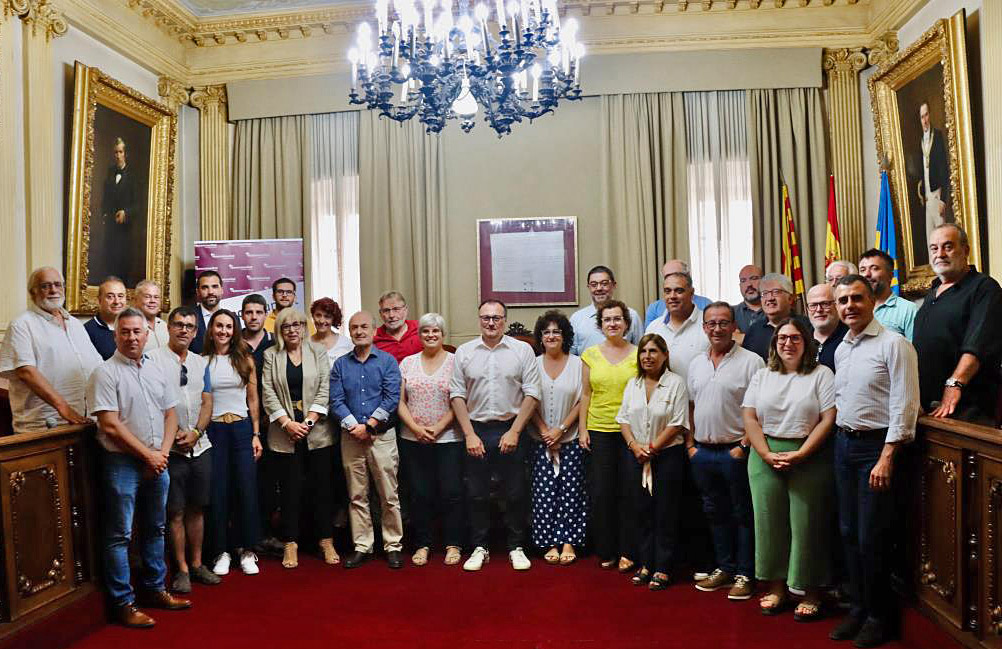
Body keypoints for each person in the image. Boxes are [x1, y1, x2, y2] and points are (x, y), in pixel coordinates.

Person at [830, 274, 920, 647]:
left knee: (872, 538)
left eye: (856, 299)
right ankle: (859, 608)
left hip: (876, 451)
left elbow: (905, 404)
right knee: (849, 533)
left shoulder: (894, 344)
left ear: (872, 301)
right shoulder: (842, 349)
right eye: (843, 301)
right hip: (844, 445)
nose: (849, 306)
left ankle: (880, 617)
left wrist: (887, 457)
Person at [87, 307, 190, 628]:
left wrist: (161, 453)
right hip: (123, 463)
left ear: (148, 334)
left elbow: (171, 414)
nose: (132, 337)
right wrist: (149, 455)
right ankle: (123, 603)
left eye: (137, 332)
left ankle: (155, 589)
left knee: (155, 528)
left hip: (158, 460)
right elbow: (110, 425)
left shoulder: (158, 369)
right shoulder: (104, 373)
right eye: (125, 332)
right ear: (116, 335)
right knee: (119, 534)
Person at [742, 317, 836, 620]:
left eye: (795, 338)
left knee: (806, 525)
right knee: (769, 525)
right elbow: (750, 417)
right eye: (782, 338)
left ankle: (810, 592)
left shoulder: (822, 374)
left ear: (806, 341)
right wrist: (766, 454)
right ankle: (777, 588)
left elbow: (828, 418)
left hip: (809, 455)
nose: (787, 343)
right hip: (764, 455)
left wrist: (802, 453)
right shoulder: (762, 375)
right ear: (774, 343)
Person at [450, 300, 540, 572]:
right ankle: (480, 547)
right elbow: (457, 395)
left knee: (515, 491)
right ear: (479, 319)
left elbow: (532, 393)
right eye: (486, 318)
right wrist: (468, 435)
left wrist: (515, 431)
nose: (491, 323)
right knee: (476, 493)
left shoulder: (522, 350)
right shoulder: (465, 352)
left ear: (504, 320)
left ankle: (516, 546)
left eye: (497, 318)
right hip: (475, 428)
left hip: (511, 427)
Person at [687, 302, 763, 601]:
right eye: (711, 324)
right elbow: (691, 407)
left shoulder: (751, 362)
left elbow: (760, 409)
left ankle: (746, 573)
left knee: (742, 514)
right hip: (703, 453)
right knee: (714, 513)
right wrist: (691, 445)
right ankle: (724, 567)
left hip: (735, 452)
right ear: (704, 328)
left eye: (723, 323)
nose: (717, 329)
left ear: (734, 326)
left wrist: (744, 444)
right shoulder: (696, 363)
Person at [150, 306, 220, 593]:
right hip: (172, 450)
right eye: (178, 324)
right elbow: (152, 403)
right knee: (175, 512)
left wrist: (196, 431)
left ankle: (197, 563)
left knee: (197, 508)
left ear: (194, 332)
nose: (184, 330)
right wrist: (175, 434)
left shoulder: (201, 362)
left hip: (200, 446)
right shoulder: (152, 360)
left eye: (189, 326)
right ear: (168, 327)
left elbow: (207, 402)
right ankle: (180, 570)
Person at [261, 308, 336, 569]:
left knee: (322, 489)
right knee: (289, 491)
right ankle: (290, 543)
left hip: (317, 432)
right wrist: (287, 424)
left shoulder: (319, 352)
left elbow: (325, 388)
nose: (293, 330)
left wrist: (307, 423)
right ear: (279, 330)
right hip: (284, 433)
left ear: (305, 327)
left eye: (297, 325)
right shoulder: (271, 355)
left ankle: (326, 540)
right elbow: (268, 392)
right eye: (286, 326)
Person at [330, 311, 405, 569]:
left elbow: (391, 397)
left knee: (388, 494)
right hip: (351, 438)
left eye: (364, 327)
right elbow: (336, 401)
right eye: (354, 328)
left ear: (374, 331)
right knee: (356, 495)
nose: (359, 331)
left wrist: (370, 426)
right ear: (349, 332)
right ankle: (363, 545)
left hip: (381, 438)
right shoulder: (340, 364)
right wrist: (355, 427)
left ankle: (393, 545)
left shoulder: (387, 362)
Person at [616, 333, 689, 591]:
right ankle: (646, 563)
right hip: (635, 456)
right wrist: (635, 447)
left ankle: (663, 567)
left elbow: (678, 422)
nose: (648, 356)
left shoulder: (676, 383)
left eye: (654, 351)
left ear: (665, 355)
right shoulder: (633, 384)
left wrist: (652, 447)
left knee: (665, 513)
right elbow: (623, 419)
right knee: (642, 512)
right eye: (644, 352)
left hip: (666, 456)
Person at [913, 224, 1002, 423]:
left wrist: (954, 384)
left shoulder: (984, 288)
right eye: (934, 248)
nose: (940, 254)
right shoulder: (932, 293)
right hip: (928, 408)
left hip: (965, 407)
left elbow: (977, 344)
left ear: (966, 250)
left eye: (948, 246)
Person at [1, 267, 103, 433]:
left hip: (83, 421)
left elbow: (96, 365)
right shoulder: (22, 325)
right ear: (32, 292)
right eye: (45, 286)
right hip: (43, 425)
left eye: (57, 284)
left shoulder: (75, 324)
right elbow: (26, 371)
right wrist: (62, 406)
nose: (53, 290)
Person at [397, 313, 463, 566]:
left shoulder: (456, 362)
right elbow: (399, 401)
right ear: (419, 335)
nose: (431, 335)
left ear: (442, 334)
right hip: (413, 439)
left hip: (448, 438)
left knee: (451, 493)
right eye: (425, 331)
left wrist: (437, 428)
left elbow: (460, 400)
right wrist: (415, 427)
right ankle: (422, 544)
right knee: (419, 493)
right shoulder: (407, 363)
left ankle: (453, 543)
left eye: (435, 331)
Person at [204, 309, 263, 577]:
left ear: (234, 330)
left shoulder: (245, 360)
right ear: (211, 329)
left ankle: (247, 550)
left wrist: (255, 433)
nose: (223, 331)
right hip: (214, 430)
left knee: (246, 489)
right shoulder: (201, 361)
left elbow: (253, 400)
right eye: (219, 326)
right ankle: (222, 551)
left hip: (241, 429)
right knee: (218, 492)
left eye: (228, 326)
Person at [580, 299, 637, 573]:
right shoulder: (590, 354)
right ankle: (606, 548)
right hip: (599, 430)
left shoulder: (639, 354)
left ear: (626, 323)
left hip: (631, 432)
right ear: (600, 325)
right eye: (607, 320)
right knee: (602, 492)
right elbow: (586, 394)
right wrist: (582, 429)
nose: (612, 323)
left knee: (629, 492)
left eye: (617, 318)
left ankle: (628, 549)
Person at [529, 311, 585, 566]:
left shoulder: (578, 363)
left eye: (556, 332)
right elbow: (527, 400)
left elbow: (582, 401)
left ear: (565, 336)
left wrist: (560, 430)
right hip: (539, 438)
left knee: (571, 493)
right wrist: (544, 430)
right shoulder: (532, 364)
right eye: (546, 332)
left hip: (570, 437)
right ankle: (549, 541)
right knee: (544, 492)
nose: (551, 336)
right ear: (541, 337)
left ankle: (568, 541)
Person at [240, 293, 280, 554]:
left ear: (266, 314)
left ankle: (265, 533)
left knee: (267, 482)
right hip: (239, 422)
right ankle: (243, 536)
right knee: (243, 480)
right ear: (242, 315)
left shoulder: (275, 343)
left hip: (271, 423)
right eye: (248, 312)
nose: (253, 317)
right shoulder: (233, 342)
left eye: (258, 312)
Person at [644, 271, 709, 383]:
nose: (672, 296)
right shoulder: (653, 328)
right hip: (662, 398)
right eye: (667, 291)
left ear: (692, 293)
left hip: (698, 399)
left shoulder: (708, 324)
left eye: (679, 291)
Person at [99, 138, 144, 285]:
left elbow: (138, 204)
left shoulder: (133, 175)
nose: (118, 155)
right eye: (115, 152)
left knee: (122, 262)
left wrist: (126, 212)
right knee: (109, 261)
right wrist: (104, 213)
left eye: (120, 152)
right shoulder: (110, 172)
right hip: (110, 228)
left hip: (126, 230)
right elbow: (106, 198)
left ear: (126, 154)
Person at [570, 265, 642, 355]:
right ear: (589, 287)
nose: (599, 288)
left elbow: (640, 352)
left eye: (604, 283)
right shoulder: (577, 318)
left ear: (614, 285)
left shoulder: (631, 315)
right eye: (594, 285)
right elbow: (571, 355)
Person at [742, 273, 812, 362]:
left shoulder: (806, 326)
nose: (770, 298)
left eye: (776, 292)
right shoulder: (754, 330)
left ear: (790, 299)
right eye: (765, 293)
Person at [857, 249, 917, 341]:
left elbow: (915, 352)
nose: (867, 274)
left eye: (874, 268)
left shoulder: (908, 310)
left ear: (890, 276)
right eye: (862, 270)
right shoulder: (855, 309)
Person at [917, 102, 952, 245]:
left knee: (942, 240)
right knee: (930, 240)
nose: (924, 120)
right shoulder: (920, 140)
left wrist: (943, 200)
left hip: (937, 196)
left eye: (926, 115)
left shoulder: (937, 136)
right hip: (927, 198)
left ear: (929, 115)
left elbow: (944, 169)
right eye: (921, 117)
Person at [644, 260, 712, 328]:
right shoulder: (654, 309)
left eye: (677, 275)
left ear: (688, 276)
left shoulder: (706, 305)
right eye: (667, 277)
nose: (672, 280)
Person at [806, 283, 848, 373]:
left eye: (825, 304)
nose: (818, 310)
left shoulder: (850, 337)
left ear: (837, 305)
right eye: (813, 305)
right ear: (807, 309)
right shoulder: (800, 337)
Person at [84, 276, 128, 360]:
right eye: (110, 296)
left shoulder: (131, 327)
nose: (116, 301)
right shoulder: (87, 331)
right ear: (99, 300)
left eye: (120, 296)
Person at [373, 291, 422, 362]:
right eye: (386, 310)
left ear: (405, 310)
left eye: (396, 309)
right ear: (381, 314)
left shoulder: (421, 329)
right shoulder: (374, 337)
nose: (391, 315)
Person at [311, 297, 353, 365]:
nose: (321, 321)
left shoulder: (347, 344)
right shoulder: (305, 344)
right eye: (318, 315)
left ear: (333, 319)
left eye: (327, 316)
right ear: (313, 316)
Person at [191, 271, 223, 354]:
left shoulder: (233, 319)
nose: (210, 292)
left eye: (215, 286)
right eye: (205, 287)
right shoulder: (189, 317)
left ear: (221, 290)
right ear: (198, 292)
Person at [134, 279, 168, 353]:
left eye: (156, 297)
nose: (152, 301)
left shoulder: (164, 325)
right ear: (136, 300)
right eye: (147, 296)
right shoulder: (130, 327)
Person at [732, 264, 764, 334]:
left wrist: (743, 339)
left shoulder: (776, 312)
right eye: (743, 281)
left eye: (754, 278)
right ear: (740, 286)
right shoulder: (730, 313)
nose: (749, 284)